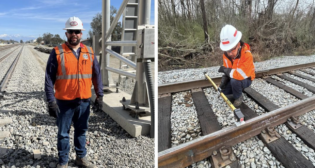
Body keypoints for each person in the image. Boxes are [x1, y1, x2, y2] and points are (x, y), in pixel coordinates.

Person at [45, 16, 103, 168]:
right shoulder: (57, 52)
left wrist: (100, 95)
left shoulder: (89, 52)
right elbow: (49, 79)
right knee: (63, 133)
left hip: (84, 101)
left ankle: (80, 158)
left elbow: (96, 75)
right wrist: (51, 101)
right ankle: (63, 161)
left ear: (81, 34)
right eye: (71, 31)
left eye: (77, 31)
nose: (74, 34)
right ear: (66, 33)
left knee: (81, 131)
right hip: (64, 102)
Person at [218, 24, 255, 107]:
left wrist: (226, 71)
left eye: (232, 49)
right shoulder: (226, 55)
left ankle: (238, 97)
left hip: (246, 79)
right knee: (225, 93)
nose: (230, 53)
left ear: (238, 44)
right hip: (234, 77)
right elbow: (228, 70)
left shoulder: (247, 55)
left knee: (235, 81)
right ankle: (236, 88)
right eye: (227, 50)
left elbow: (240, 75)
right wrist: (225, 78)